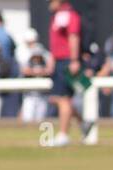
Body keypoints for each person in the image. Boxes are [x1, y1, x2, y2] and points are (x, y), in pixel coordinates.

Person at [45, 0, 90, 146]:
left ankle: (63, 134)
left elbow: (73, 36)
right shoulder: (58, 15)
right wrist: (52, 59)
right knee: (59, 99)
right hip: (60, 61)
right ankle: (84, 123)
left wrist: (74, 60)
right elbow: (56, 41)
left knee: (63, 99)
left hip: (67, 61)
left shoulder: (68, 15)